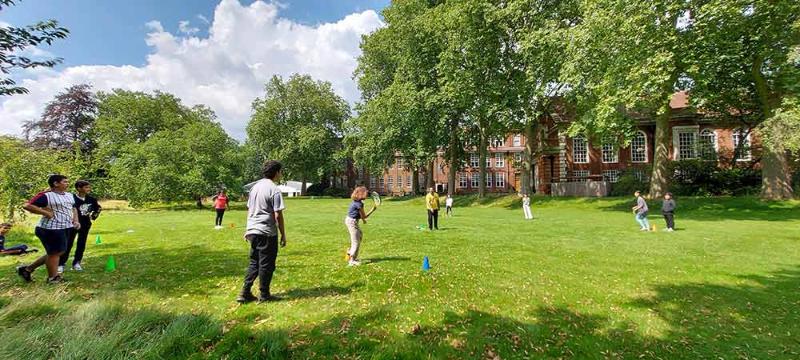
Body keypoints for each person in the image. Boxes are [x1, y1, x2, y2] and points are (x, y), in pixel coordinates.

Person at [237, 160, 286, 304]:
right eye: (280, 171)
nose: (281, 174)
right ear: (276, 172)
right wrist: (283, 234)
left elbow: (250, 209)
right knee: (267, 264)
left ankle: (245, 292)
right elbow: (278, 214)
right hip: (266, 231)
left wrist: (248, 229)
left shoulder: (255, 187)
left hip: (253, 230)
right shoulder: (274, 189)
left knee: (254, 262)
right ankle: (264, 295)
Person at [18, 174, 80, 284]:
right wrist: (45, 212)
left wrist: (76, 220)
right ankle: (53, 278)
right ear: (56, 183)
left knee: (56, 252)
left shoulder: (70, 195)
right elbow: (27, 205)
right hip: (50, 228)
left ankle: (27, 269)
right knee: (55, 253)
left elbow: (74, 208)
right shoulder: (47, 196)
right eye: (65, 182)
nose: (67, 184)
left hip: (65, 227)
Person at [59, 180, 101, 272]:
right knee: (68, 243)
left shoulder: (91, 199)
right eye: (86, 187)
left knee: (81, 243)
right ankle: (61, 263)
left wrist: (94, 215)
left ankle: (77, 263)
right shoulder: (71, 198)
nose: (88, 189)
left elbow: (98, 208)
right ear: (79, 188)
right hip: (71, 224)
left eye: (89, 187)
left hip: (85, 224)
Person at [344, 186, 375, 266]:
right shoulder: (359, 204)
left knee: (359, 236)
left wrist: (363, 220)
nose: (367, 195)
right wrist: (373, 210)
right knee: (356, 241)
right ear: (361, 194)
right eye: (365, 193)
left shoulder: (356, 202)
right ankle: (351, 260)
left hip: (351, 220)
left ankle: (350, 253)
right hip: (352, 222)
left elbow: (360, 216)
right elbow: (364, 216)